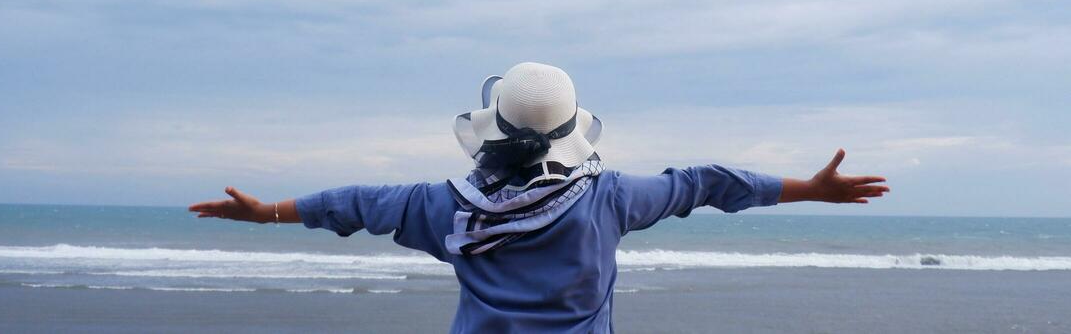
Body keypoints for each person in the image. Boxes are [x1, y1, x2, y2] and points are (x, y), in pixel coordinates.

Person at [189, 61, 889, 332]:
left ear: (492, 132)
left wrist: (266, 212)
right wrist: (810, 191)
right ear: (571, 131)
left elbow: (353, 203)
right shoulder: (607, 199)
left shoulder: (443, 207)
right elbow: (704, 183)